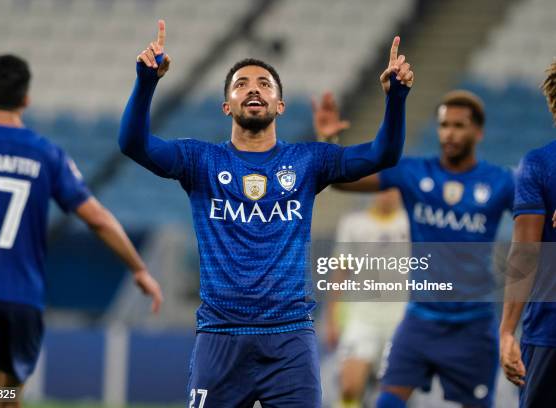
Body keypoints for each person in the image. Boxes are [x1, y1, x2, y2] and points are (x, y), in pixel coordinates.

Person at [119, 19, 413, 407]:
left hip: (290, 339)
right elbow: (132, 143)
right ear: (227, 106)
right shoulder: (199, 160)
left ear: (279, 105)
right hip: (220, 337)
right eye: (241, 84)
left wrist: (395, 100)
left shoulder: (308, 160)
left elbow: (383, 154)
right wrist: (146, 82)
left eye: (264, 84)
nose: (253, 88)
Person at [0, 54, 163, 408]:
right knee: (5, 397)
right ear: (26, 99)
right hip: (22, 299)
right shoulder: (47, 154)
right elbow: (98, 219)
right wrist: (138, 269)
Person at [319, 90, 514, 407]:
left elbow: (537, 213)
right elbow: (343, 181)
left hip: (473, 325)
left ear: (478, 132)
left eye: (459, 125)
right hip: (420, 319)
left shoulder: (500, 181)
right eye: (444, 125)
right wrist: (330, 145)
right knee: (387, 400)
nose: (449, 133)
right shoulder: (412, 172)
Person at [500, 60, 556, 408]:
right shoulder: (538, 165)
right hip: (548, 331)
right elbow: (524, 251)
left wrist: (507, 330)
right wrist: (507, 330)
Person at [324, 188, 409, 408]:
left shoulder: (410, 223)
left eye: (392, 188)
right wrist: (332, 318)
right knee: (350, 387)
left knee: (391, 394)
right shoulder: (353, 224)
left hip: (399, 321)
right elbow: (340, 272)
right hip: (361, 318)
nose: (386, 194)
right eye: (382, 188)